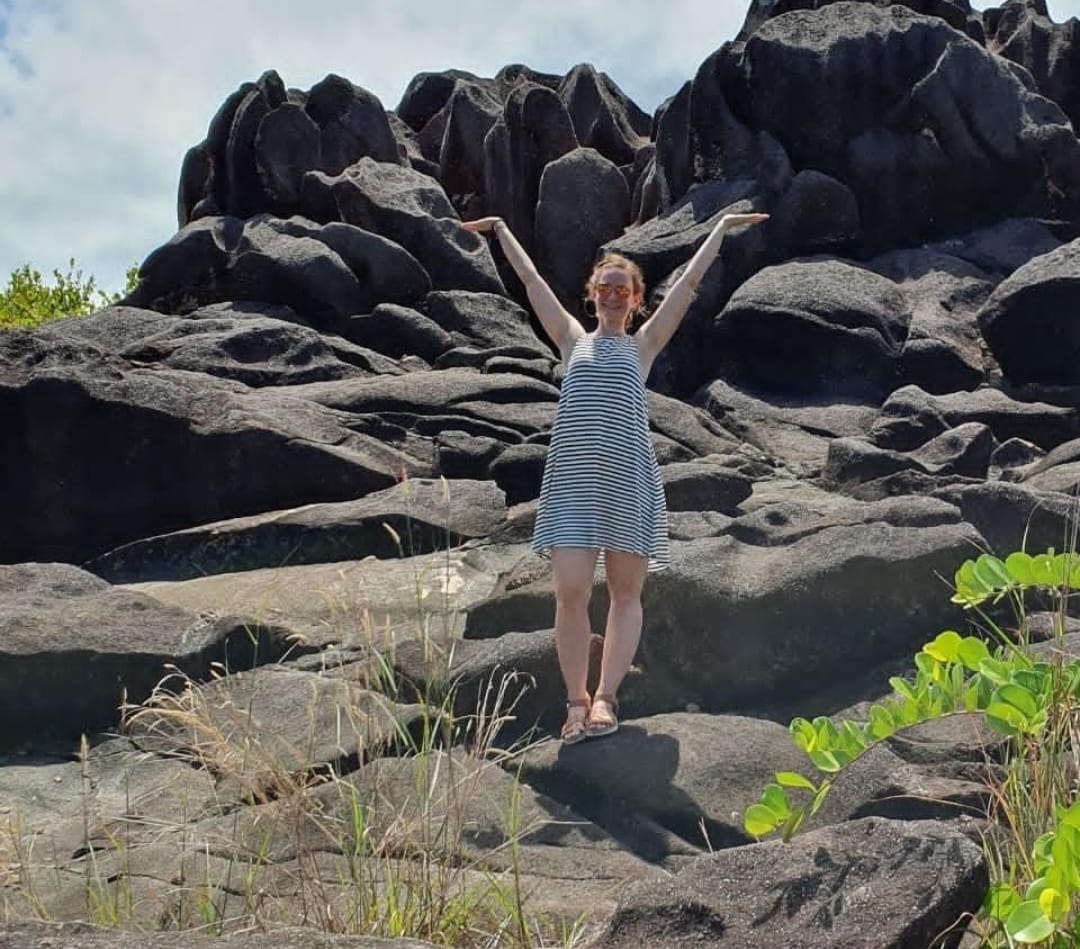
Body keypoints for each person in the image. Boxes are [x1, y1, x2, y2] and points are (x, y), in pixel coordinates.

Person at [462, 210, 769, 743]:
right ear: (592, 293)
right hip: (572, 484)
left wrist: (719, 229)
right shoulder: (570, 340)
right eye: (603, 287)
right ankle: (575, 702)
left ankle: (605, 698)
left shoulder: (643, 346)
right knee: (570, 593)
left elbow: (688, 285)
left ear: (635, 299)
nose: (610, 295)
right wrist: (502, 232)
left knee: (626, 595)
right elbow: (531, 282)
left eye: (620, 289)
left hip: (628, 482)